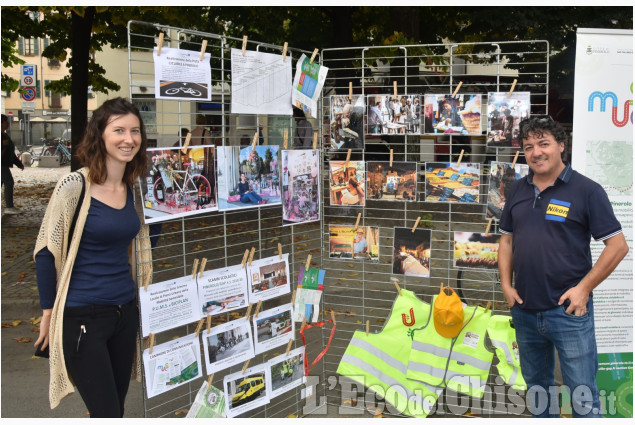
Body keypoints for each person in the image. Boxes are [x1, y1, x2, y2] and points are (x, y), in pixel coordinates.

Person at [498, 115, 628, 418]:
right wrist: (506, 285)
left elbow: (618, 246)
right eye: (529, 147)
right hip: (526, 310)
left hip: (569, 312)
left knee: (583, 395)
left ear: (560, 146)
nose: (536, 152)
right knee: (539, 393)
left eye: (543, 144)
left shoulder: (587, 191)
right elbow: (505, 241)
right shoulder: (516, 190)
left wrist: (583, 289)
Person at [33, 97, 149, 416]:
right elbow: (46, 251)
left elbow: (140, 241)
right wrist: (47, 315)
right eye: (119, 130)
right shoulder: (75, 186)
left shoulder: (134, 188)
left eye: (135, 131)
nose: (129, 139)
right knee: (107, 413)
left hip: (124, 315)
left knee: (114, 410)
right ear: (100, 134)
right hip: (82, 317)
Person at [1, 114, 24, 214]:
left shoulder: (4, 135)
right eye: (6, 121)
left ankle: (9, 206)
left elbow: (10, 152)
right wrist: (2, 145)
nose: (8, 123)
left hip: (4, 164)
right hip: (1, 165)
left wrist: (18, 163)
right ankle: (9, 207)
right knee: (9, 182)